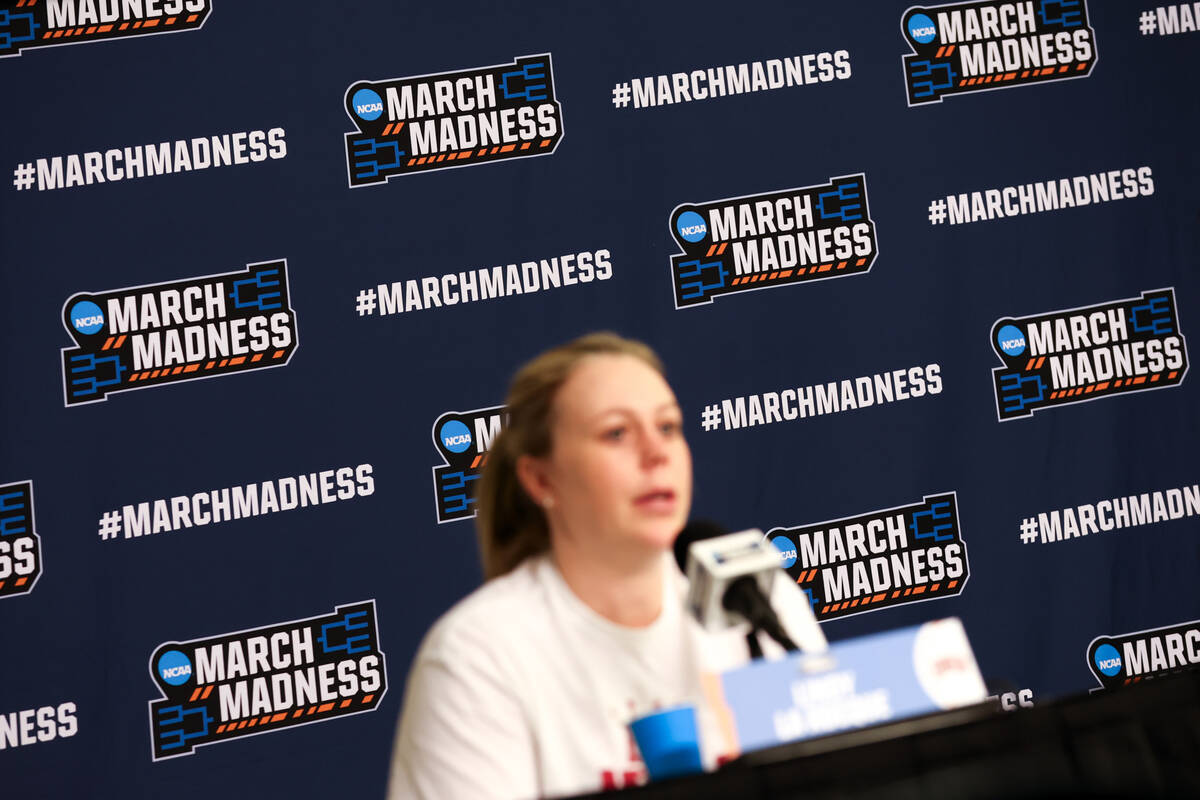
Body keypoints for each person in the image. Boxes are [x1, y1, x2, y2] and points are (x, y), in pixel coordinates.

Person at [386, 332, 822, 799]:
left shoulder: (755, 596)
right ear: (540, 478)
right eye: (617, 433)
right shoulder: (477, 658)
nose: (656, 454)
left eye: (669, 427)